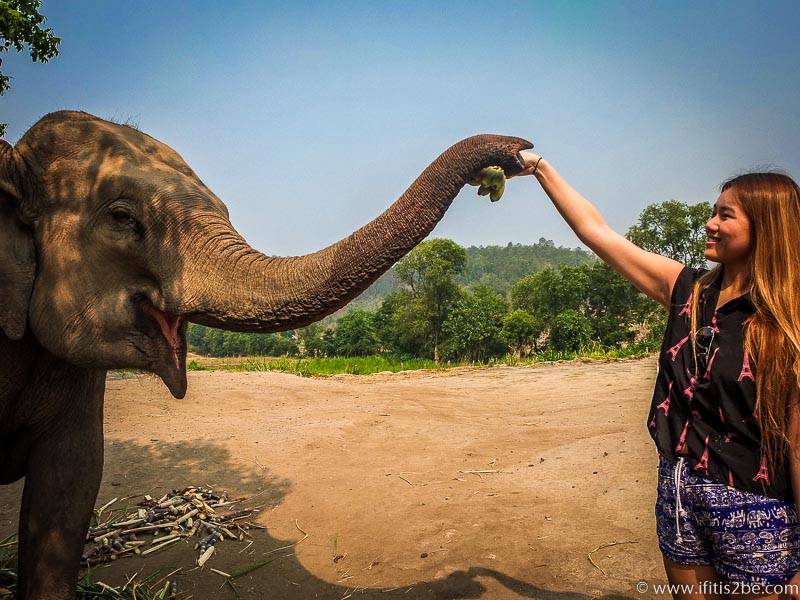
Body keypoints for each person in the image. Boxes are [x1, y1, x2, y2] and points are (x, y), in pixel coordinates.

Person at [513, 152, 800, 597]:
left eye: (726, 216)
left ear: (767, 228)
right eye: (713, 211)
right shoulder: (688, 291)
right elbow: (598, 233)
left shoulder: (786, 323)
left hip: (754, 512)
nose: (710, 223)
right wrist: (540, 169)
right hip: (678, 495)